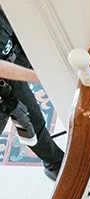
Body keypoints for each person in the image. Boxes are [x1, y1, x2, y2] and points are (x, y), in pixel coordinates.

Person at [0, 11, 62, 179]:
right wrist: (40, 76)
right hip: (4, 82)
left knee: (34, 122)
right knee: (32, 122)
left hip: (16, 49)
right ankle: (56, 164)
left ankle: (55, 163)